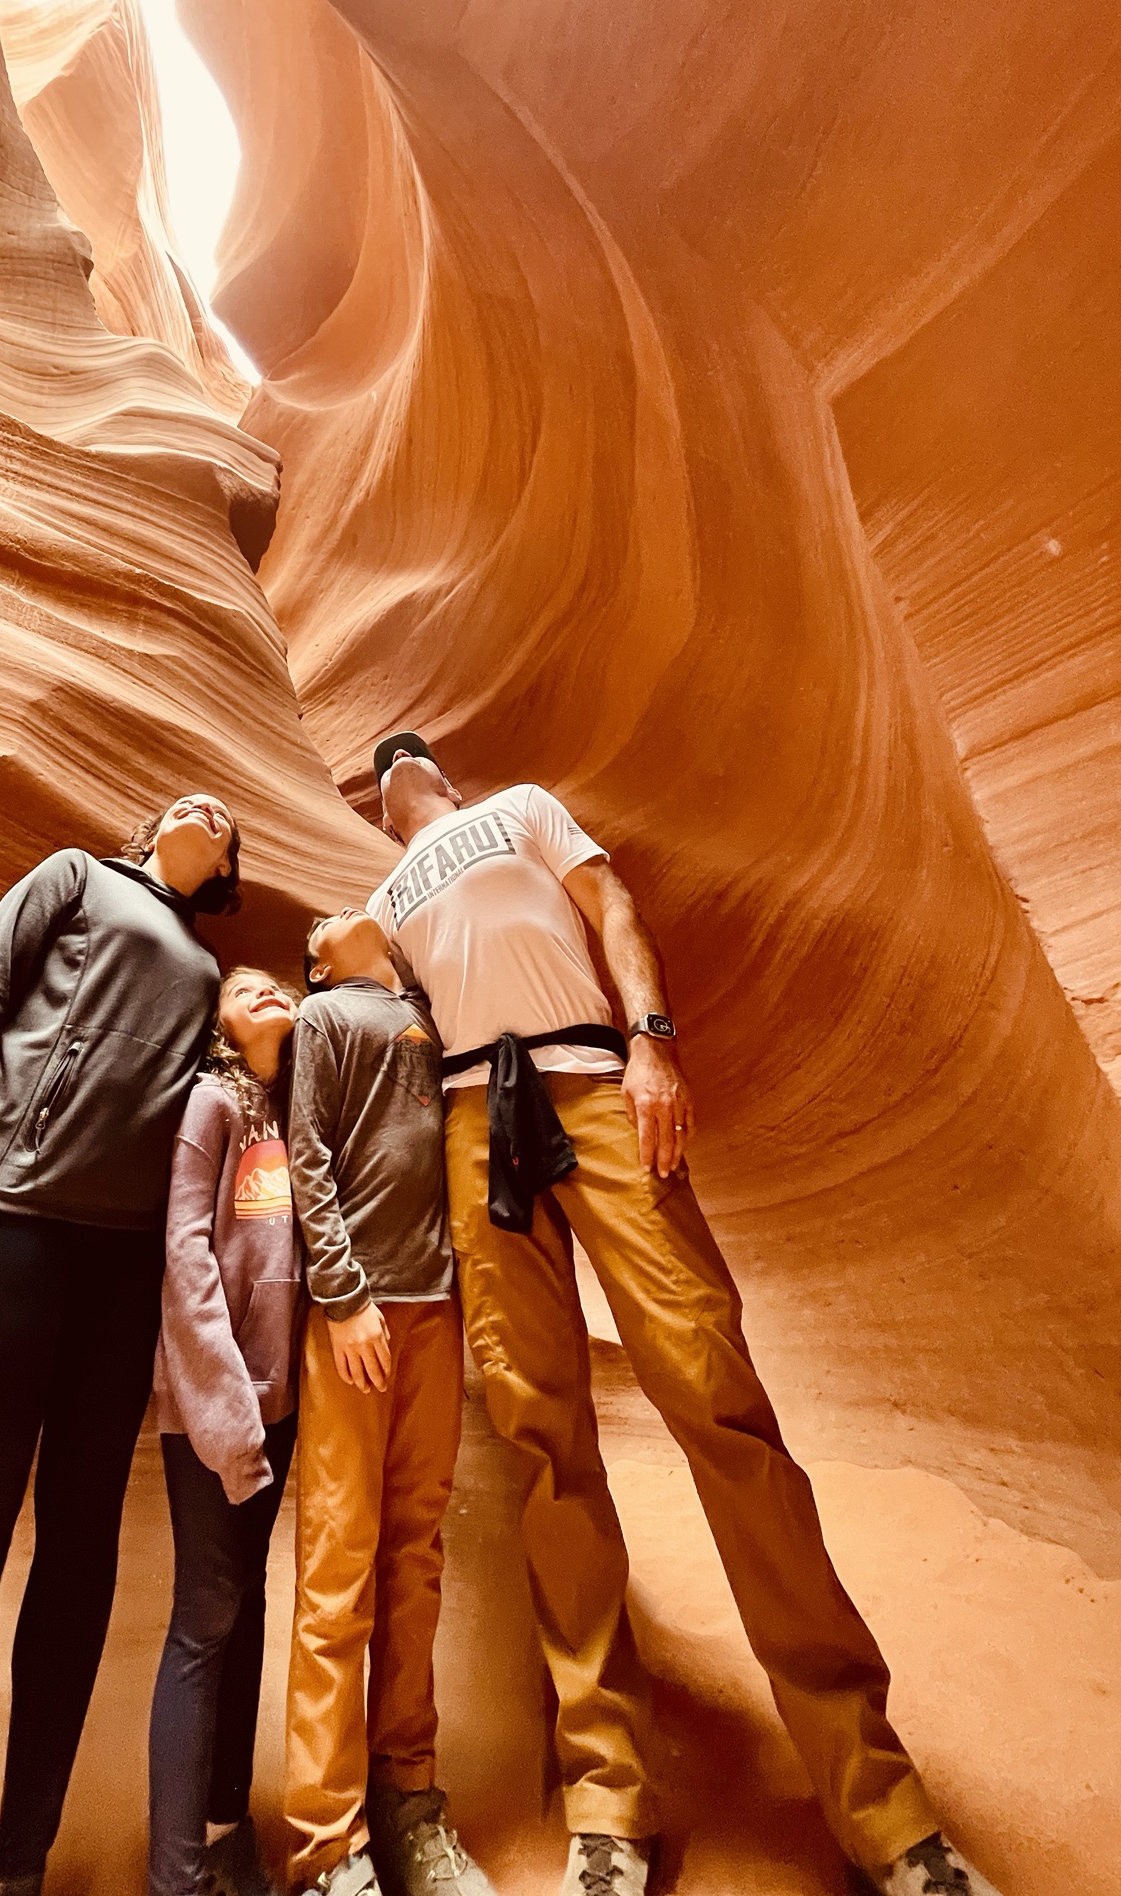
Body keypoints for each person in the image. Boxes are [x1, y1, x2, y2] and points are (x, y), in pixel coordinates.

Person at [363, 734, 1003, 1896]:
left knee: (715, 1390)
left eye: (417, 751)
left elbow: (611, 903)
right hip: (469, 1125)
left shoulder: (523, 805)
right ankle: (608, 1798)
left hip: (591, 1082)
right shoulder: (381, 901)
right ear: (377, 807)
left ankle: (880, 1799)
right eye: (386, 763)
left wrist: (650, 1038)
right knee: (542, 1442)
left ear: (446, 773)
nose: (403, 762)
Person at [0, 794, 241, 1896]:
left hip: (125, 1262)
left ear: (227, 871)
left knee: (82, 1545)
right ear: (149, 828)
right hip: (11, 1216)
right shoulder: (77, 876)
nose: (207, 804)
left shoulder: (206, 964)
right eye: (186, 798)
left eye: (227, 820)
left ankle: (19, 1868)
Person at [281, 910, 492, 1896]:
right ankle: (327, 1843)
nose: (337, 914)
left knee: (416, 1554)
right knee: (339, 1563)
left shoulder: (428, 1016)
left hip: (435, 1312)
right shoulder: (324, 1016)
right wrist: (342, 1294)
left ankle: (409, 1799)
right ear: (318, 966)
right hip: (355, 1319)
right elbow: (306, 1154)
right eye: (319, 928)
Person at [149, 967, 306, 1896]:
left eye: (272, 981)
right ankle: (175, 1876)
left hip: (279, 1409)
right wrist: (229, 1418)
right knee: (205, 1619)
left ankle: (226, 1830)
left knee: (242, 1605)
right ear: (214, 1023)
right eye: (239, 987)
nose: (261, 989)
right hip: (216, 1411)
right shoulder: (210, 1102)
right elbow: (185, 1257)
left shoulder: (293, 1110)